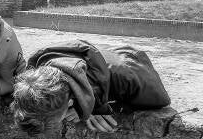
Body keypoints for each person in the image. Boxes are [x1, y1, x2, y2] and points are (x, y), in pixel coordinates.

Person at [11, 40, 171, 134]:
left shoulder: (127, 78)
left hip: (132, 61)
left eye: (63, 116)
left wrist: (97, 107)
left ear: (70, 104)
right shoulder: (36, 75)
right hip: (97, 58)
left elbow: (161, 101)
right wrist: (87, 105)